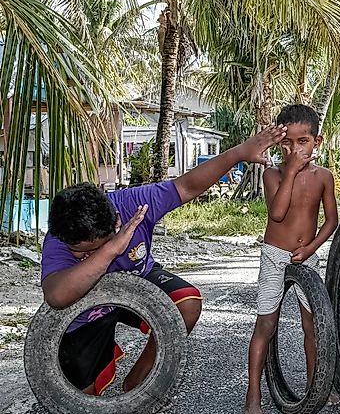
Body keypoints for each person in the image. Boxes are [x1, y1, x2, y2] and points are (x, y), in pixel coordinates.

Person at [41, 126, 286, 396]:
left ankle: (138, 380)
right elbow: (56, 295)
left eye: (88, 249)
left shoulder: (134, 204)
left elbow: (186, 186)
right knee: (81, 398)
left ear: (116, 222)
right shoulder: (61, 235)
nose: (80, 255)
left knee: (187, 303)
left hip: (139, 284)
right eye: (77, 252)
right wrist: (110, 250)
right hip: (88, 309)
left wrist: (239, 153)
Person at [243, 105, 339, 414]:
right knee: (266, 325)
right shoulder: (272, 174)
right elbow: (277, 214)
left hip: (307, 256)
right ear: (278, 143)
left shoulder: (324, 177)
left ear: (317, 142)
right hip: (275, 255)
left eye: (303, 141)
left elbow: (331, 221)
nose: (295, 149)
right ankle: (253, 395)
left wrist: (311, 247)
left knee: (313, 326)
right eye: (287, 143)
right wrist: (292, 171)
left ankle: (316, 386)